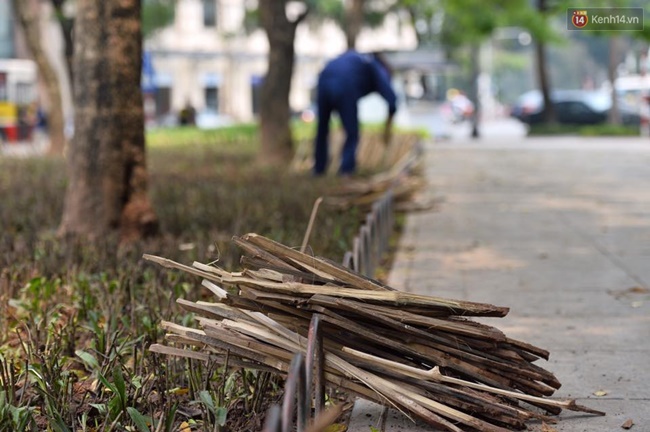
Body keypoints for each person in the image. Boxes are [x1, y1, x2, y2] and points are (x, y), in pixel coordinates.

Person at [313, 50, 397, 176]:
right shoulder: (376, 67)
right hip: (346, 84)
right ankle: (346, 171)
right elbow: (392, 98)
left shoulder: (360, 60)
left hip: (323, 78)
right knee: (352, 132)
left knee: (322, 128)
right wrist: (388, 125)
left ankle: (318, 170)